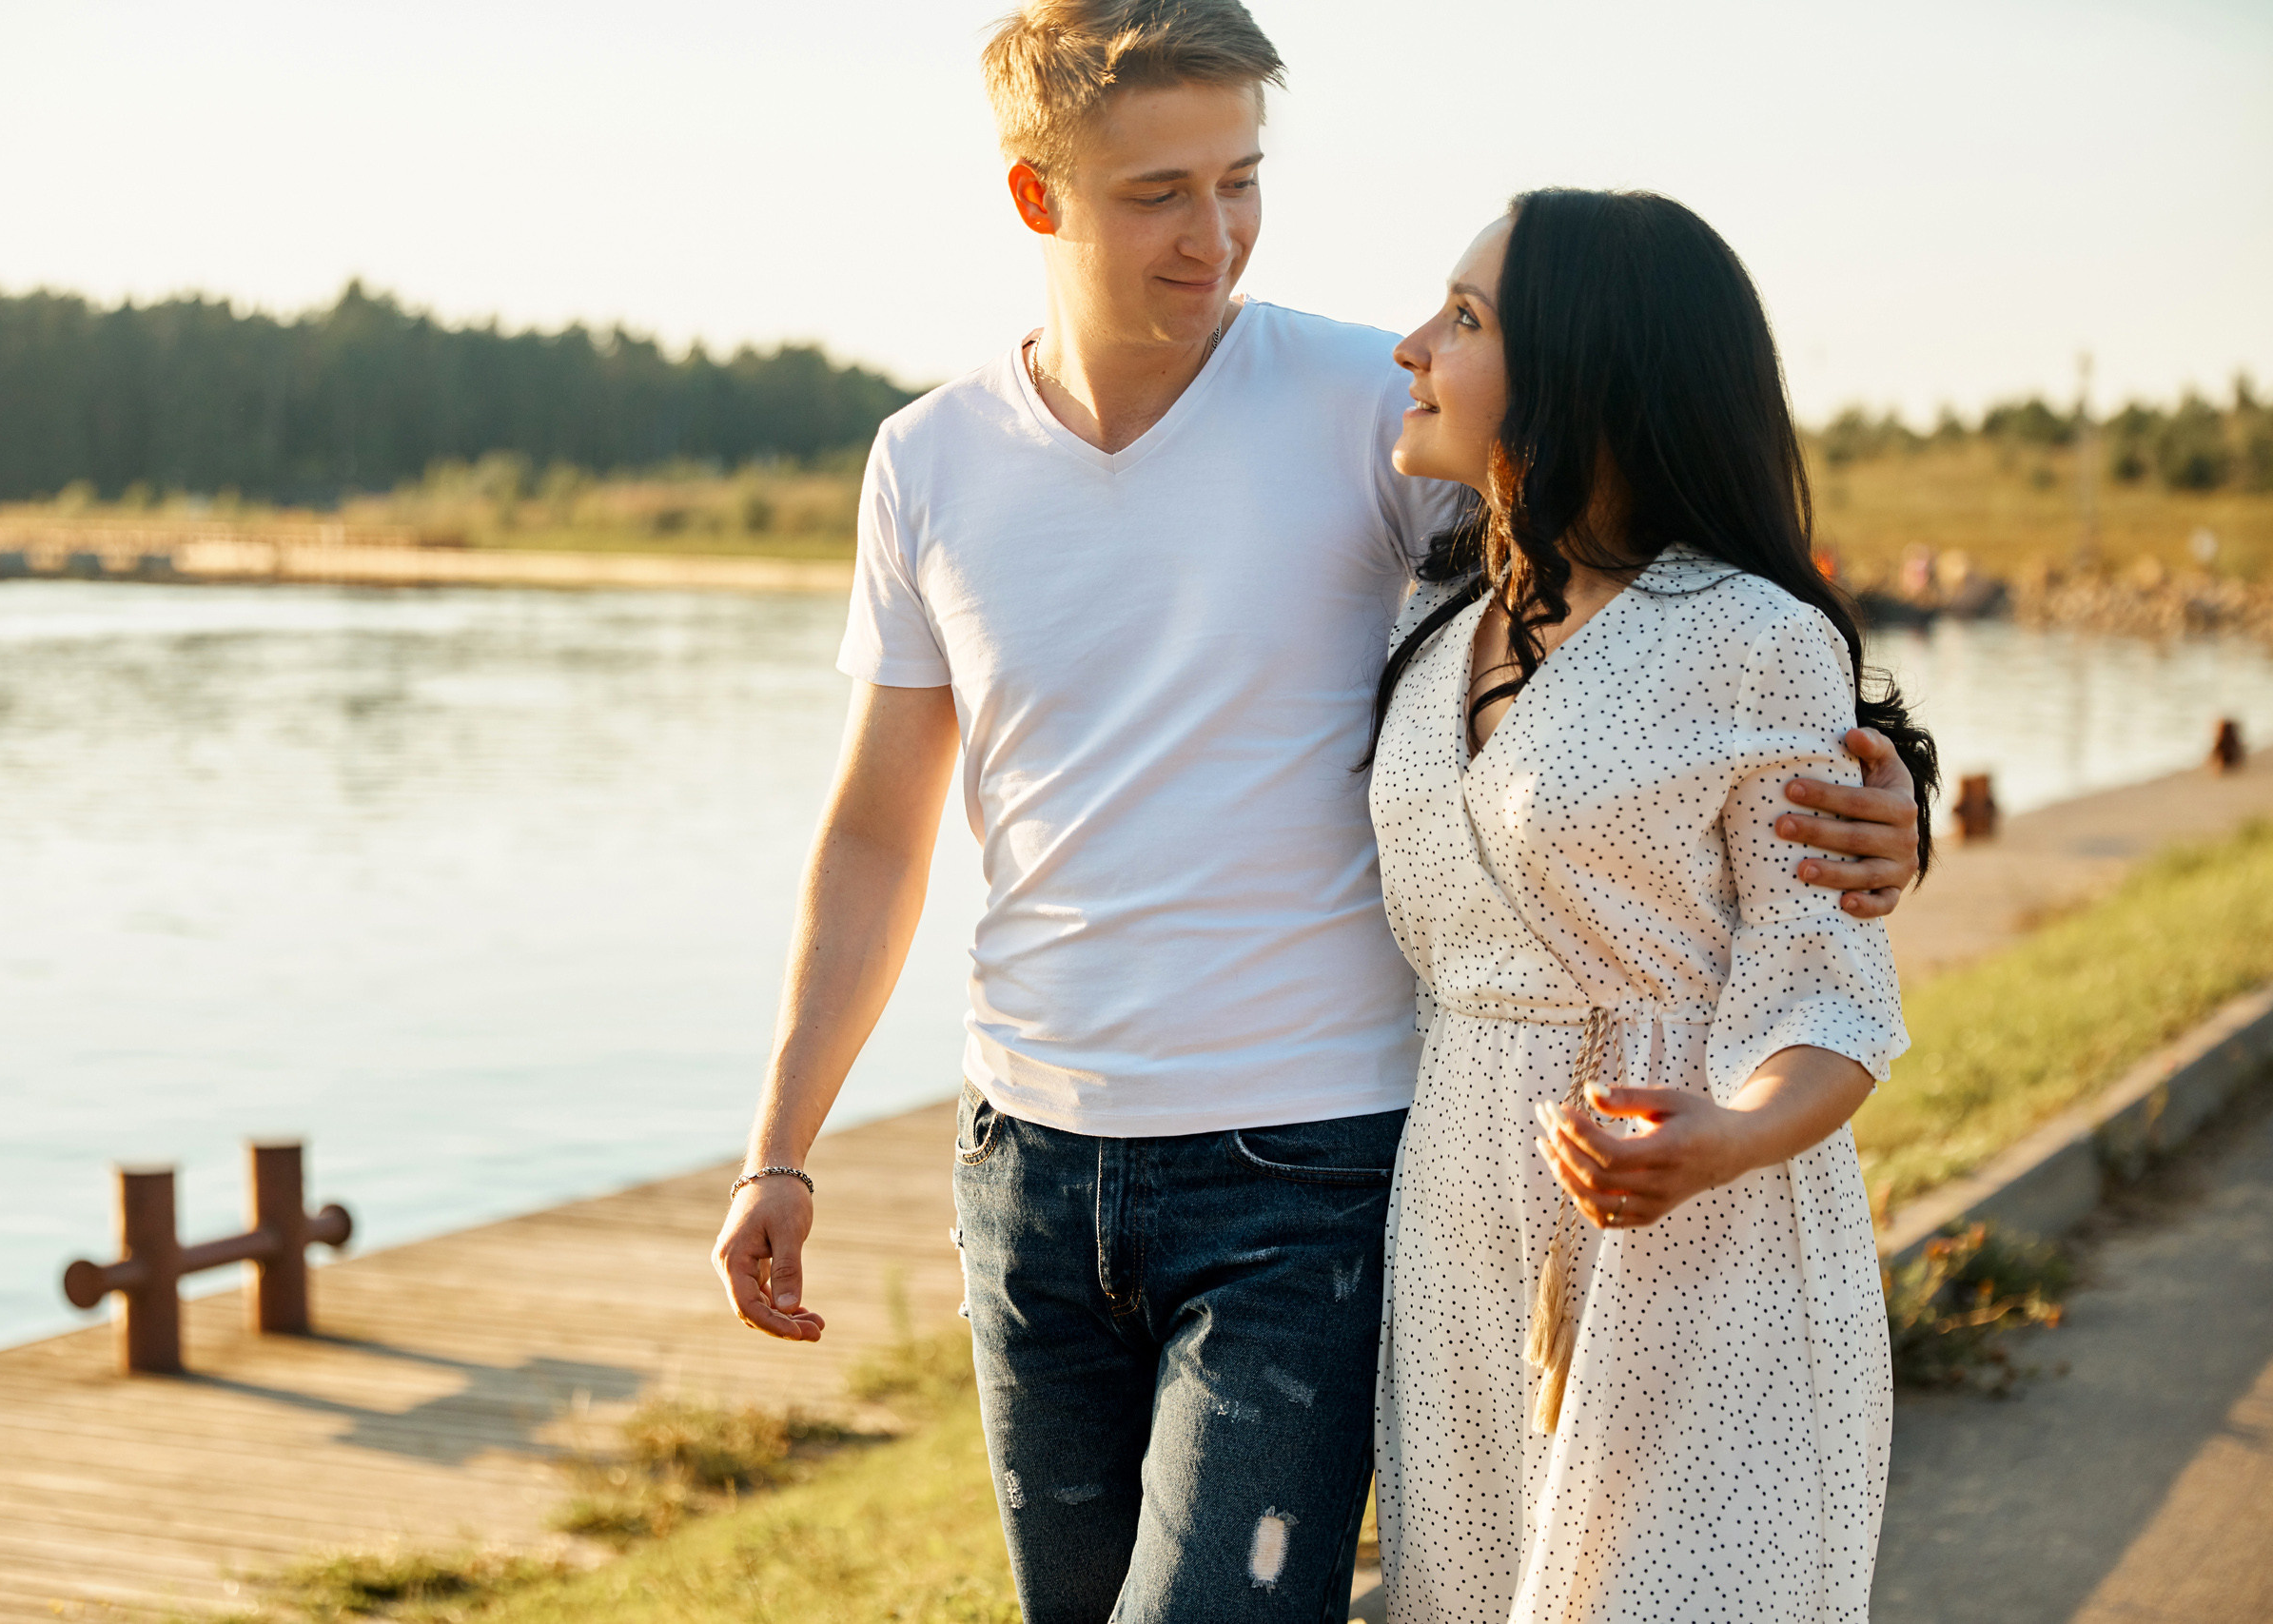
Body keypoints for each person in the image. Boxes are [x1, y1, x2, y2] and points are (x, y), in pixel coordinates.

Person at [708, 6, 1924, 1619]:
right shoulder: (925, 463)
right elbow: (875, 831)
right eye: (1157, 193)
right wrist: (778, 1145)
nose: (1212, 235)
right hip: (1022, 1166)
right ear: (1036, 197)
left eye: (1241, 179)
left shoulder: (1372, 404)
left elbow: (1647, 589)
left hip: (1307, 1165)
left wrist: (1888, 771)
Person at [1368, 188, 1933, 1622]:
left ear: (1586, 372)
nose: (1413, 344)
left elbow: (1828, 991)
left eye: (1468, 318)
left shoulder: (1753, 638)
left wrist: (1733, 1133)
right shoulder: (1440, 620)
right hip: (1458, 1218)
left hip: (1691, 1227)